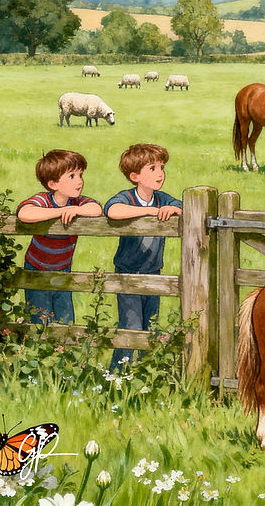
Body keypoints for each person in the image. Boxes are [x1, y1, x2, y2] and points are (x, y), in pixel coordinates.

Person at [104, 143, 182, 369]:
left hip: (153, 272)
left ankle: (144, 369)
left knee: (150, 324)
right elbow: (112, 210)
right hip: (127, 273)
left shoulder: (163, 199)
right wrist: (150, 212)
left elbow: (184, 207)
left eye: (162, 168)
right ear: (135, 176)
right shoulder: (127, 198)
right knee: (131, 325)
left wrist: (174, 209)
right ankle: (118, 371)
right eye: (153, 168)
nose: (160, 173)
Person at [16, 149, 102, 324]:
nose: (79, 181)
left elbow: (96, 209)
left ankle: (64, 341)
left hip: (63, 268)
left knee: (65, 317)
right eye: (72, 176)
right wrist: (61, 211)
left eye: (80, 175)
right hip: (37, 268)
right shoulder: (44, 200)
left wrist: (75, 209)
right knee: (39, 317)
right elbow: (24, 213)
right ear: (53, 184)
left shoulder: (77, 202)